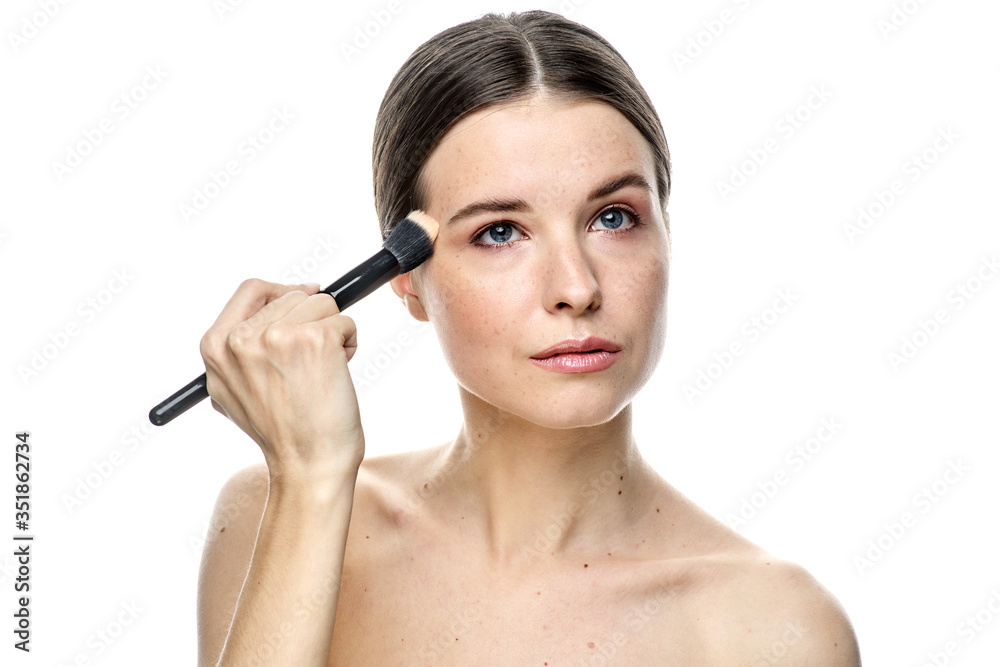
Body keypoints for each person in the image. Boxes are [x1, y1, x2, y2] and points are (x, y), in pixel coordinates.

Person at [196, 10, 861, 665]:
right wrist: (311, 478)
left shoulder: (772, 630)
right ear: (405, 278)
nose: (576, 286)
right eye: (500, 231)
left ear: (666, 230)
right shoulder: (277, 517)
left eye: (613, 217)